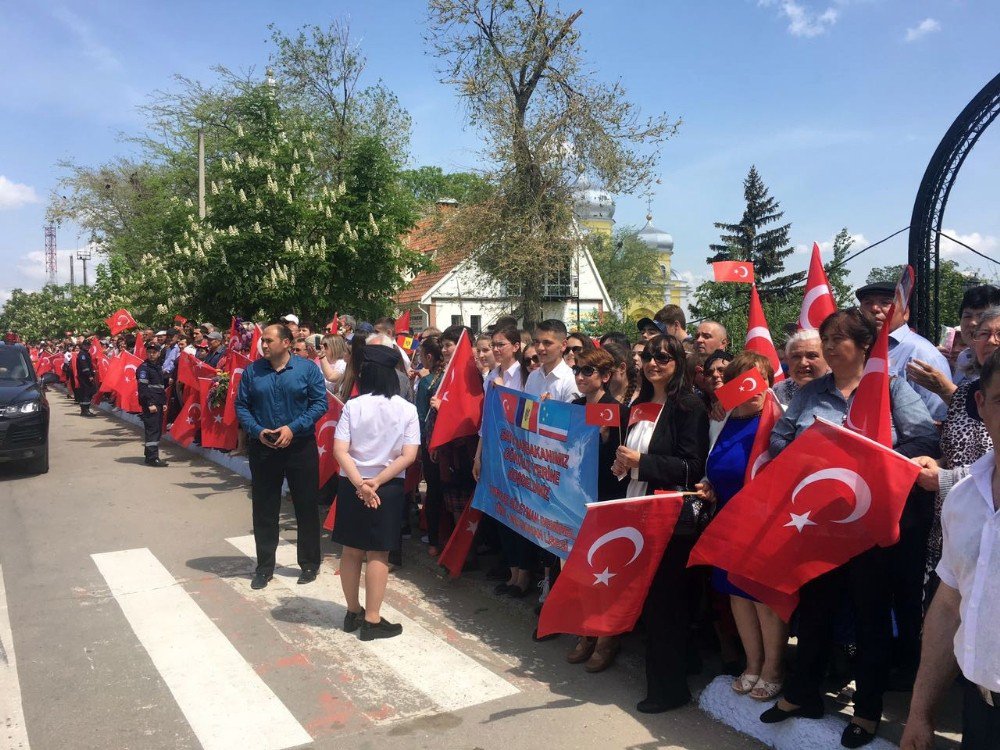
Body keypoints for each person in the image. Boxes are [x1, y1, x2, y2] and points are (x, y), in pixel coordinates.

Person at [761, 308, 939, 747]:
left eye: (838, 338)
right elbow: (780, 439)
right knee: (815, 609)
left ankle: (867, 711)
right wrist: (809, 454)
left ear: (863, 346)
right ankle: (804, 693)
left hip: (870, 528)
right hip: (819, 524)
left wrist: (868, 455)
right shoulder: (810, 393)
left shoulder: (892, 389)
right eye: (825, 338)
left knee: (869, 617)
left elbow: (923, 440)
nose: (828, 346)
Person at [899, 349, 1000, 750]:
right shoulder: (963, 498)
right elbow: (947, 606)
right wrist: (920, 715)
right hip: (982, 711)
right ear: (981, 404)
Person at [612, 334, 709, 713]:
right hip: (637, 506)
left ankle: (668, 691)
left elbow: (692, 467)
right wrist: (623, 465)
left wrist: (642, 463)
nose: (654, 363)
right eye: (649, 356)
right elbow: (634, 454)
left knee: (664, 603)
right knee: (655, 600)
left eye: (664, 357)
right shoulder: (640, 403)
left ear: (678, 363)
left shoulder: (689, 406)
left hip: (669, 517)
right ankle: (679, 668)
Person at [696, 351, 786, 702]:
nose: (752, 387)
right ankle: (753, 663)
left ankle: (773, 668)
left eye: (759, 378)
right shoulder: (721, 419)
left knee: (762, 597)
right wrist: (708, 483)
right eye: (744, 379)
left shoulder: (779, 421)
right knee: (736, 594)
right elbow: (712, 465)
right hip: (727, 521)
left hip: (764, 524)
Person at [332, 344, 420, 641]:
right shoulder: (407, 409)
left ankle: (353, 610)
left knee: (351, 550)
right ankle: (372, 619)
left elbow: (340, 450)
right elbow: (408, 455)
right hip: (388, 486)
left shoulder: (353, 406)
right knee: (378, 553)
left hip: (352, 485)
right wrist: (376, 483)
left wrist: (360, 484)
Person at [912, 307, 999, 594]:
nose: (991, 340)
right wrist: (933, 462)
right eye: (983, 334)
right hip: (950, 524)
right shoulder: (964, 393)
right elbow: (955, 451)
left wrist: (945, 478)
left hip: (989, 525)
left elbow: (989, 464)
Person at [235, 324, 327, 590]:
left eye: (268, 340)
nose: (263, 345)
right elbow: (241, 405)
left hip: (299, 447)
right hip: (264, 447)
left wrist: (292, 427)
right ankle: (264, 567)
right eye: (262, 341)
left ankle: (309, 564)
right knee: (264, 508)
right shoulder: (253, 371)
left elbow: (320, 403)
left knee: (306, 505)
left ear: (287, 343)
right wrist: (257, 430)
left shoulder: (307, 369)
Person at [565, 347, 630, 673]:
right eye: (577, 370)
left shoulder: (616, 411)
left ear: (605, 376)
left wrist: (605, 441)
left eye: (588, 371)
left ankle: (607, 638)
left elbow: (620, 466)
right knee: (579, 572)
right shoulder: (575, 407)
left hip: (604, 499)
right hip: (575, 499)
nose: (580, 376)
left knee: (603, 572)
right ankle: (585, 631)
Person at [856, 281, 951, 421]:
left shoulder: (921, 353)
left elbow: (937, 417)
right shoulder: (858, 348)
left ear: (905, 313)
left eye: (885, 303)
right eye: (868, 303)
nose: (875, 308)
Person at [905, 285, 1000, 404]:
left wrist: (944, 388)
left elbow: (983, 411)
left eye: (981, 316)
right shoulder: (963, 358)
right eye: (967, 316)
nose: (972, 323)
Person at [415, 336, 446, 556]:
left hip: (432, 442)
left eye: (420, 355)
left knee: (435, 491)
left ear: (428, 356)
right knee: (445, 491)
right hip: (450, 441)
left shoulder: (428, 382)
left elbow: (419, 415)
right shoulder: (447, 378)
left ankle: (434, 541)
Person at [525, 319, 579, 402]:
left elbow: (571, 414)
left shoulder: (571, 380)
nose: (540, 348)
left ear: (563, 345)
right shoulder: (532, 376)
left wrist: (551, 408)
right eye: (537, 342)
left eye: (547, 343)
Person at [774, 329, 829, 406]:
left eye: (812, 356)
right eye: (796, 356)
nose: (803, 363)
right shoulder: (777, 391)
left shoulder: (843, 389)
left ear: (828, 359)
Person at [137, 340, 168, 467]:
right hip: (151, 403)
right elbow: (143, 389)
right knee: (152, 430)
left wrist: (164, 402)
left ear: (159, 353)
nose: (151, 354)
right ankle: (152, 458)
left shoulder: (158, 367)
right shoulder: (144, 368)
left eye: (154, 352)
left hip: (158, 402)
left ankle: (149, 455)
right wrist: (150, 403)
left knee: (157, 429)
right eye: (149, 352)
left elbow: (160, 387)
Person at [74, 338, 98, 417]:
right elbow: (85, 366)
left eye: (88, 345)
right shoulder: (82, 355)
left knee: (88, 392)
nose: (87, 346)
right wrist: (89, 375)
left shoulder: (86, 353)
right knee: (87, 392)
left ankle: (85, 410)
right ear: (83, 345)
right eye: (86, 345)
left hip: (85, 376)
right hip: (85, 377)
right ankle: (85, 410)